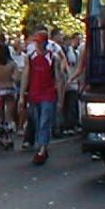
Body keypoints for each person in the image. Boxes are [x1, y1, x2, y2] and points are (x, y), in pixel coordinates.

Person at [20, 29, 65, 165]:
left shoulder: (53, 58)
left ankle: (41, 149)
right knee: (38, 121)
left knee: (45, 121)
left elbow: (59, 79)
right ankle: (42, 147)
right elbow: (26, 76)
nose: (38, 45)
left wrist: (60, 99)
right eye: (36, 42)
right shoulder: (31, 57)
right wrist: (22, 95)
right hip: (34, 94)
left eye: (40, 42)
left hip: (48, 94)